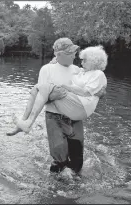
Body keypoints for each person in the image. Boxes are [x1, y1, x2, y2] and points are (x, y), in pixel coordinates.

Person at [7, 38, 106, 175]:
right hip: (54, 117)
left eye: (74, 52)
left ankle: (76, 189)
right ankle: (55, 190)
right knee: (60, 160)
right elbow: (41, 96)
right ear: (59, 54)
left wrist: (101, 93)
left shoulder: (78, 70)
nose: (74, 55)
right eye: (70, 52)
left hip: (74, 118)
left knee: (77, 161)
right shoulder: (47, 69)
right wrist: (54, 95)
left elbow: (91, 88)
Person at [10, 45, 108, 134]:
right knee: (37, 88)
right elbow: (67, 68)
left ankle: (28, 123)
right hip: (73, 102)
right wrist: (56, 62)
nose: (81, 62)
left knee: (45, 87)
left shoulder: (98, 74)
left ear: (94, 61)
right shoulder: (81, 71)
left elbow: (86, 92)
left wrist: (64, 85)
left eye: (84, 60)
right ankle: (24, 122)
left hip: (82, 106)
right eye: (81, 60)